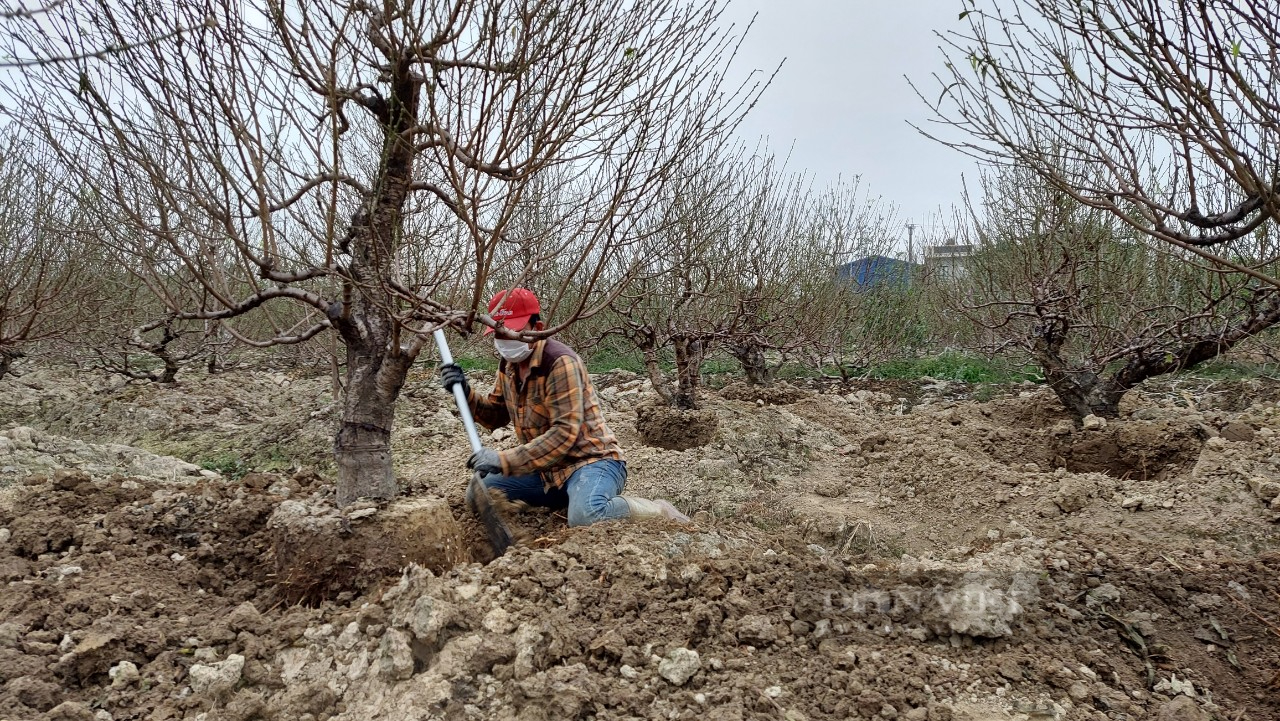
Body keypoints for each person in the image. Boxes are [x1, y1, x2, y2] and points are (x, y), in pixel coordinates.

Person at [440, 288, 689, 526]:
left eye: (512, 331)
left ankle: (657, 510)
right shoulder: (509, 365)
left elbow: (563, 436)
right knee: (479, 493)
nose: (505, 340)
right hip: (544, 471)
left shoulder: (560, 362)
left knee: (587, 516)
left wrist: (503, 460)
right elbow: (495, 416)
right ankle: (565, 500)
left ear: (536, 328)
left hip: (591, 462)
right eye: (499, 333)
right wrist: (464, 391)